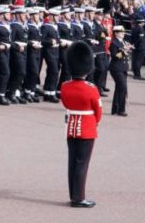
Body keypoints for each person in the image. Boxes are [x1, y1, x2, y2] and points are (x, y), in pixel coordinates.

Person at [60, 41, 101, 208]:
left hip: (70, 127)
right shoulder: (91, 88)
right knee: (82, 163)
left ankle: (74, 195)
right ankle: (79, 198)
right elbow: (97, 111)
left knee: (72, 162)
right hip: (87, 127)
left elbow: (65, 104)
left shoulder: (65, 86)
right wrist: (95, 122)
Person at [108, 26, 130, 116]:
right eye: (121, 32)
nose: (123, 33)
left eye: (123, 32)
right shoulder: (114, 43)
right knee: (123, 87)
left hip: (123, 67)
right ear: (116, 33)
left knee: (119, 88)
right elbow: (115, 56)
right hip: (116, 68)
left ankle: (115, 109)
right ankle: (121, 109)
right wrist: (125, 51)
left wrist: (127, 49)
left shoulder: (123, 41)